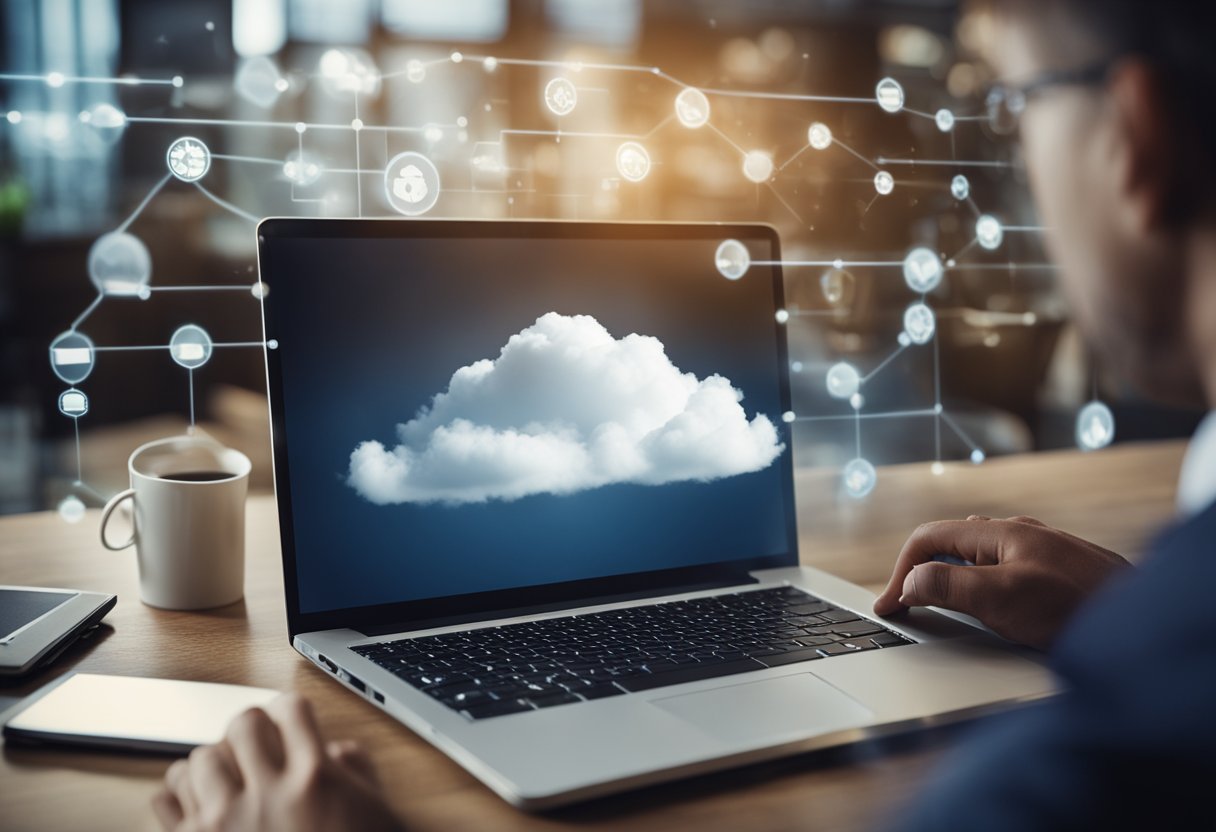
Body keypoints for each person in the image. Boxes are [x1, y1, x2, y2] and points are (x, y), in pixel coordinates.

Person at [153, 1, 1216, 828]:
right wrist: (1126, 608)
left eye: (1017, 104)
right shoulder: (1172, 636)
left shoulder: (1092, 764)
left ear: (1134, 137)